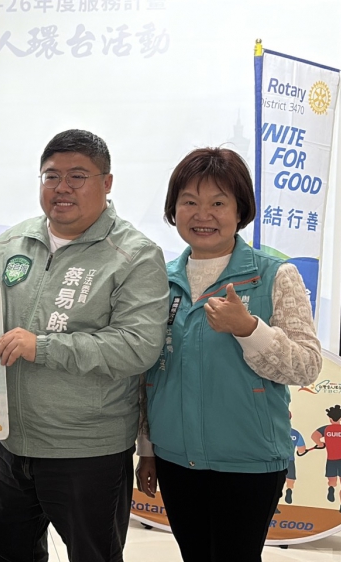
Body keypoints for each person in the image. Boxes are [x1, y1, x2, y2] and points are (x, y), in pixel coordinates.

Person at [0, 129, 169, 562]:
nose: (62, 187)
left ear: (107, 182)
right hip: (9, 441)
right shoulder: (12, 242)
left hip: (87, 449)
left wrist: (43, 347)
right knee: (7, 553)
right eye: (51, 176)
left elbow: (137, 346)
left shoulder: (135, 255)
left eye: (77, 176)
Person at [137, 147, 321, 561]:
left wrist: (249, 329)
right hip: (174, 457)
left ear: (240, 211)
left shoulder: (275, 274)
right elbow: (149, 373)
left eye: (218, 203)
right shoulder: (158, 280)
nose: (203, 214)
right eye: (189, 202)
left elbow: (307, 365)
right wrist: (147, 449)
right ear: (173, 210)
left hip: (249, 460)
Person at [311, 404, 341, 513]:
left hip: (331, 460)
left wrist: (320, 444)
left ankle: (331, 487)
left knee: (332, 481)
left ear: (330, 418)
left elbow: (314, 436)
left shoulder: (326, 429)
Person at [286, 413, 306, 505]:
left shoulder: (274, 431)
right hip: (290, 460)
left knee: (277, 482)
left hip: (277, 461)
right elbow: (301, 450)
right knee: (290, 478)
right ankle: (289, 490)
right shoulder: (295, 433)